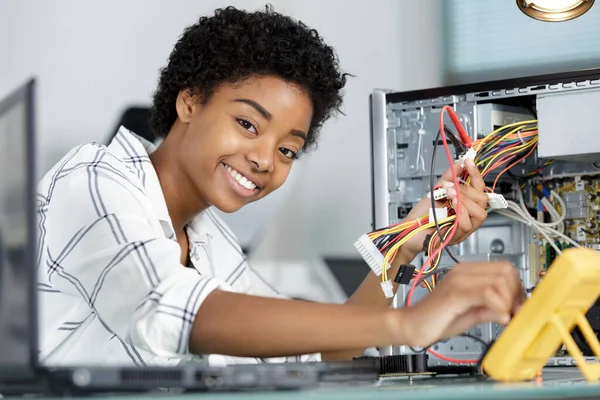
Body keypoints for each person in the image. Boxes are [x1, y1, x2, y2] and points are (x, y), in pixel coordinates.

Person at [36, 6, 525, 367]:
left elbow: (321, 350)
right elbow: (175, 311)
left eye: (288, 149)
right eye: (248, 124)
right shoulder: (92, 178)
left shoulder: (206, 239)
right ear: (189, 102)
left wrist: (410, 237)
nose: (266, 160)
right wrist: (408, 323)